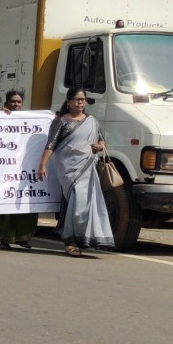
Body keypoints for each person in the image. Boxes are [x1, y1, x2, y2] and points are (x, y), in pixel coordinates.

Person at [37, 86, 115, 257]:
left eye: (82, 100)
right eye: (76, 99)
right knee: (78, 199)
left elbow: (102, 141)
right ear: (68, 101)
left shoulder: (92, 121)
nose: (80, 102)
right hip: (68, 168)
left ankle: (80, 238)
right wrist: (42, 165)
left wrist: (99, 146)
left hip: (87, 167)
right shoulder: (61, 121)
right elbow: (51, 144)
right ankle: (70, 240)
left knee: (85, 203)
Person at [0, 90, 39, 250]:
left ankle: (23, 237)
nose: (16, 104)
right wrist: (1, 116)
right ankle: (5, 238)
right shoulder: (0, 118)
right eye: (13, 102)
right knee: (6, 202)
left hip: (24, 169)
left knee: (25, 201)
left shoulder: (29, 121)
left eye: (19, 102)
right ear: (6, 103)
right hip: (5, 168)